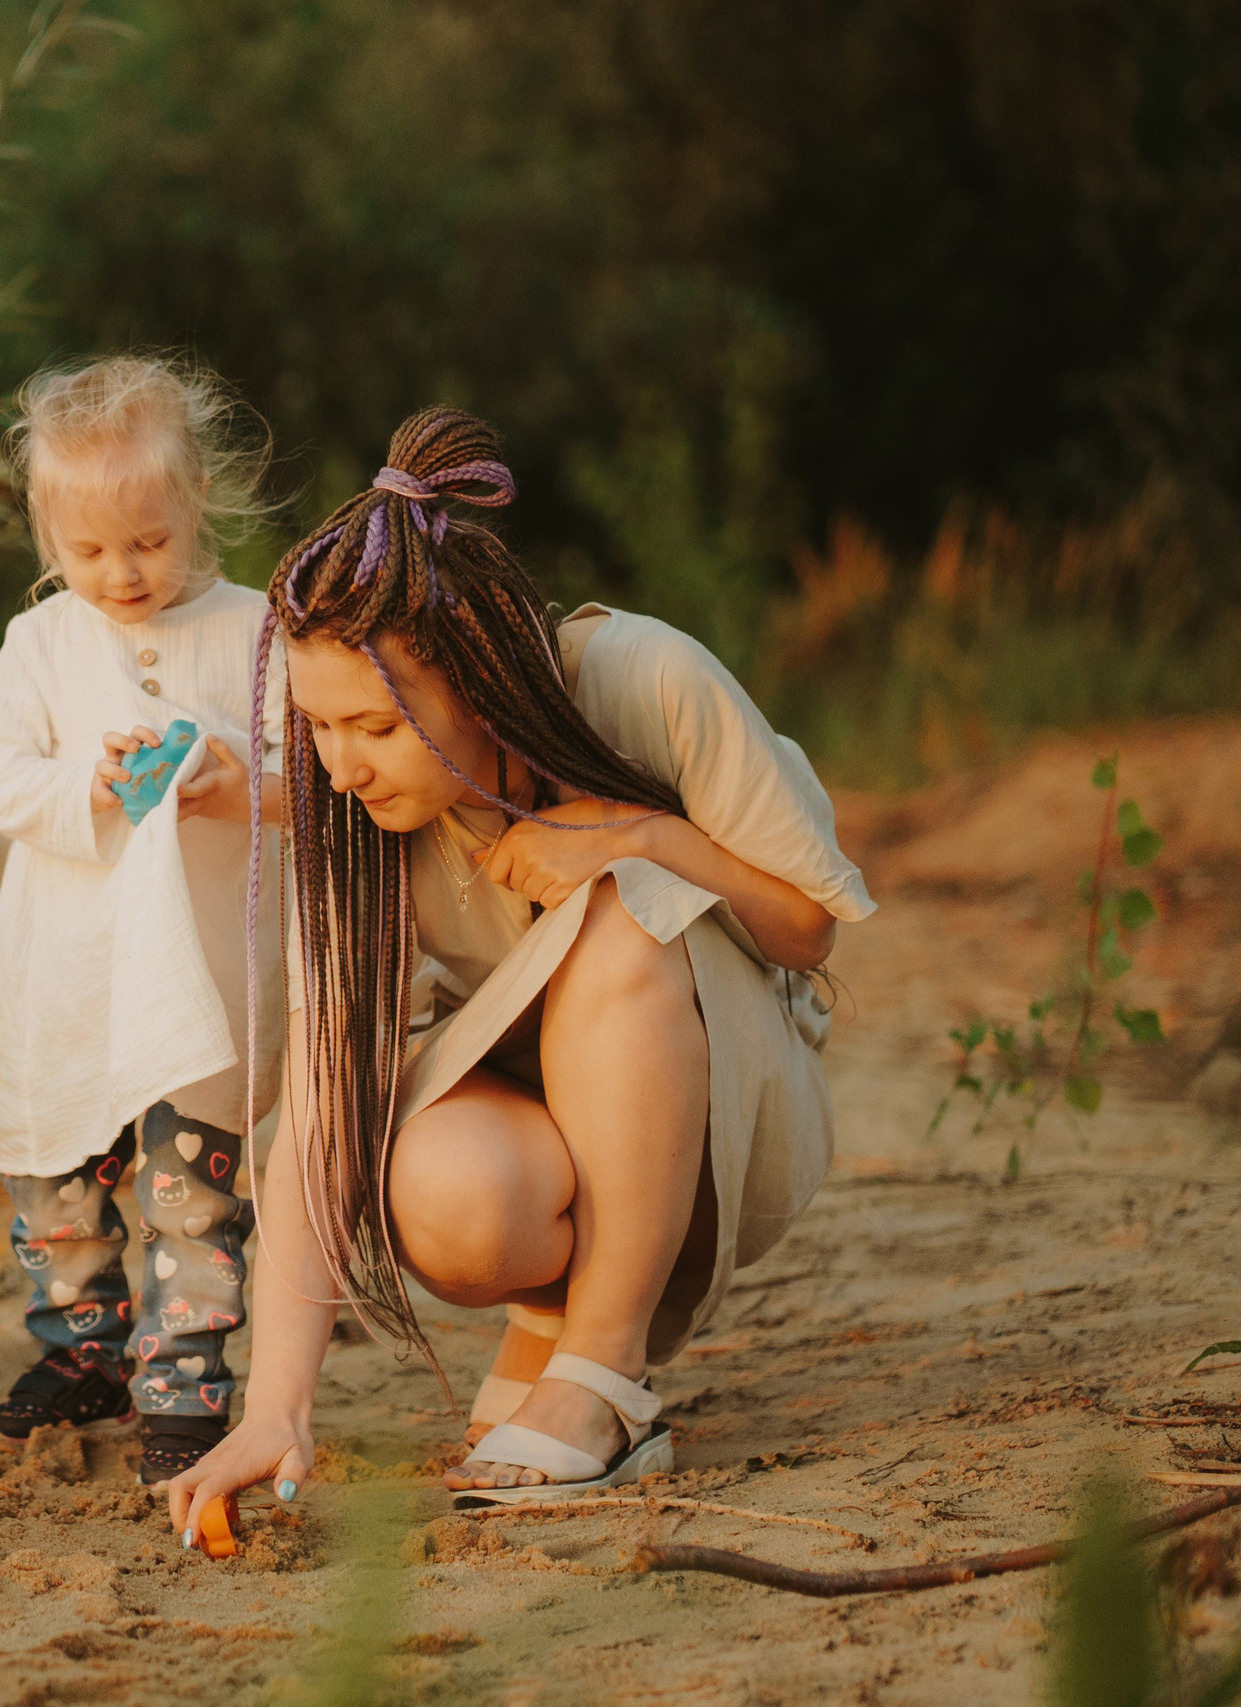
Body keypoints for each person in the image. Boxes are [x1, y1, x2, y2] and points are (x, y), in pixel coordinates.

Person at [166, 405, 873, 1529]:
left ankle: (602, 1372)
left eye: (375, 727)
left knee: (620, 909)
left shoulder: (643, 677)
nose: (339, 768)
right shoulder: (353, 813)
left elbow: (806, 928)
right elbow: (319, 1106)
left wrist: (638, 836)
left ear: (481, 675)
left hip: (726, 1109)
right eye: (318, 727)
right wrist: (275, 1409)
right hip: (545, 1098)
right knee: (454, 1194)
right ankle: (550, 1324)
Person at [0, 356, 285, 1486]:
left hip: (198, 974)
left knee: (191, 1191)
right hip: (66, 974)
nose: (123, 573)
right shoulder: (42, 643)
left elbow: (302, 772)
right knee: (62, 1189)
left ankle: (184, 1377)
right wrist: (88, 785)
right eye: (90, 551)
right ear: (47, 534)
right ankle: (82, 1348)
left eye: (148, 542)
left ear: (198, 498)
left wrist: (227, 778)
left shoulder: (258, 631)